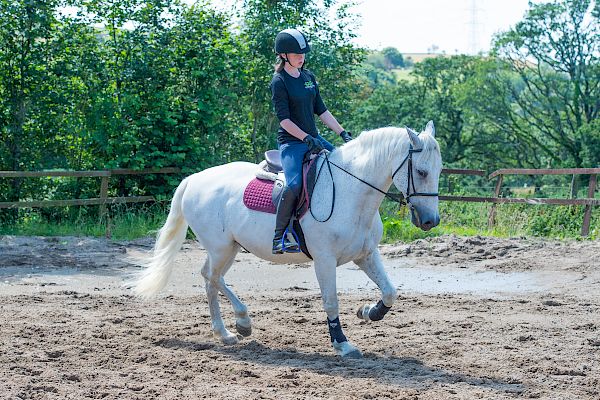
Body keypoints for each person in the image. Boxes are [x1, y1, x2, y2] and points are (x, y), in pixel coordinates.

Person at [270, 28, 352, 254]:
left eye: (303, 53)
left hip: (313, 139)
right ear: (284, 55)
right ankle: (279, 236)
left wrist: (342, 132)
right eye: (296, 54)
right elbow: (284, 121)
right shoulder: (279, 81)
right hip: (292, 143)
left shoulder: (308, 78)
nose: (301, 57)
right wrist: (305, 137)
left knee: (342, 167)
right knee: (294, 185)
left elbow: (322, 111)